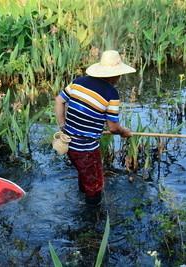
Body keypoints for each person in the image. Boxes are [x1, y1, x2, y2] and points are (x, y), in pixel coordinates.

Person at [54, 50, 135, 206]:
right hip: (86, 150)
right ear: (115, 75)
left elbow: (59, 100)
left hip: (69, 144)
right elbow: (112, 127)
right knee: (95, 187)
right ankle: (91, 222)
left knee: (84, 176)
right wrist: (124, 132)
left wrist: (63, 125)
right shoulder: (111, 93)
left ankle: (82, 201)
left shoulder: (78, 82)